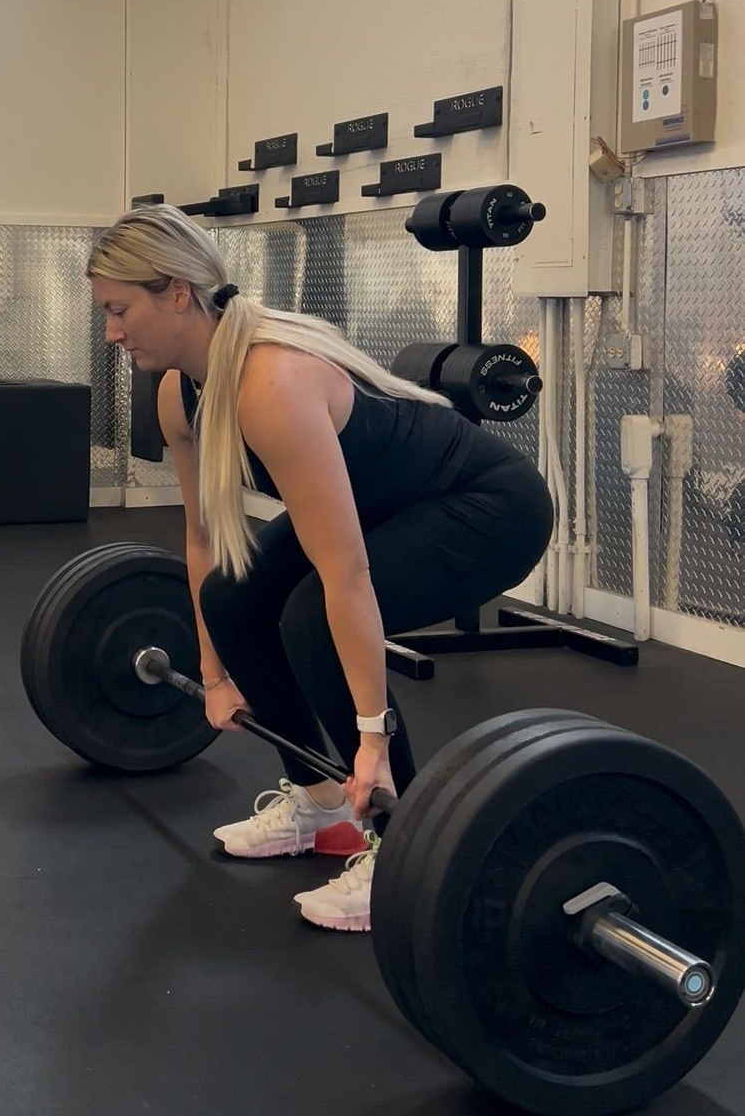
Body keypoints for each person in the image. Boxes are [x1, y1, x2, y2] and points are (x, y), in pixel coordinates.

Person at [86, 205, 553, 933]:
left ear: (177, 292)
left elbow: (347, 576)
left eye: (120, 309)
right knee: (233, 598)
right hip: (385, 507)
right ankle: (321, 806)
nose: (112, 331)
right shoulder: (182, 391)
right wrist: (213, 673)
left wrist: (371, 738)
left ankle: (404, 850)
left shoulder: (269, 383)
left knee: (310, 619)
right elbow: (205, 536)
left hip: (486, 506)